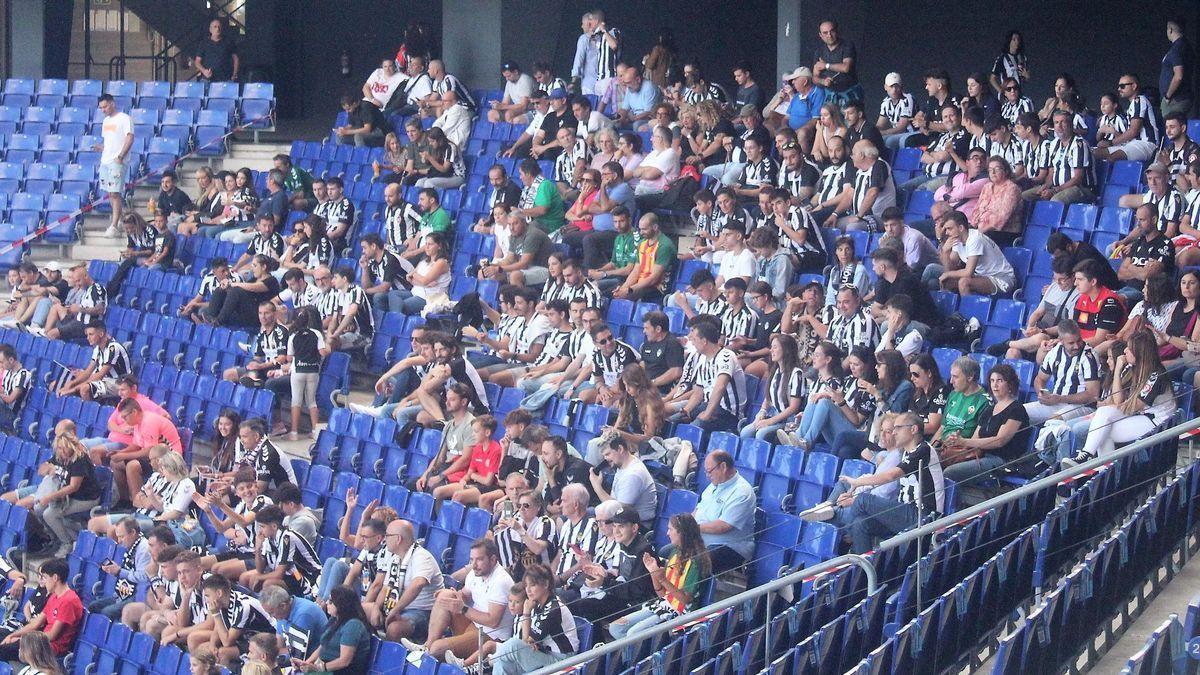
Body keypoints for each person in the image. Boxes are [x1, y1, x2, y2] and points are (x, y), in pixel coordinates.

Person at [1065, 330, 1177, 466]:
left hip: (1159, 422)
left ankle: (1094, 461)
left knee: (1104, 425)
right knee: (1103, 426)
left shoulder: (1156, 374)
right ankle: (1100, 468)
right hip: (1143, 416)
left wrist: (1108, 409)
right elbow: (1118, 400)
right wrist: (1118, 370)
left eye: (1129, 349)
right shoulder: (1134, 367)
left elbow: (1133, 407)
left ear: (1139, 353)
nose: (1125, 351)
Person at [842, 411, 944, 552]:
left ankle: (845, 536)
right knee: (861, 523)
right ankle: (862, 571)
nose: (894, 433)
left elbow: (890, 476)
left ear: (913, 429)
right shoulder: (905, 452)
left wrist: (857, 482)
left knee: (863, 500)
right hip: (904, 512)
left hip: (923, 516)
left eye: (898, 428)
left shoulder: (923, 450)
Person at [402, 539, 514, 663]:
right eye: (472, 560)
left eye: (479, 560)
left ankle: (432, 653)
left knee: (437, 649)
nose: (474, 565)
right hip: (474, 625)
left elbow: (493, 621)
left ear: (493, 560)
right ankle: (426, 647)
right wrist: (455, 596)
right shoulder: (475, 572)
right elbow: (465, 594)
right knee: (446, 595)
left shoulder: (501, 581)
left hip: (491, 635)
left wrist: (463, 608)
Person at [941, 364, 1031, 488]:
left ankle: (952, 505)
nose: (995, 385)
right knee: (934, 462)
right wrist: (957, 440)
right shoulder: (989, 409)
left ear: (1010, 384)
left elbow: (1000, 441)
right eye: (992, 381)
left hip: (1001, 460)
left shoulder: (1016, 410)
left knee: (950, 472)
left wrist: (964, 441)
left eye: (1000, 381)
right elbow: (975, 439)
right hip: (981, 454)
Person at [487, 564, 578, 674]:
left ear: (546, 584)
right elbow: (527, 641)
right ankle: (495, 659)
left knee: (513, 645)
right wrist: (527, 615)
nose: (528, 590)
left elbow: (525, 641)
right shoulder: (537, 604)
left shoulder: (553, 608)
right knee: (504, 663)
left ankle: (491, 660)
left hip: (562, 659)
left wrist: (526, 613)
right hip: (544, 653)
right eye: (526, 585)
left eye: (533, 585)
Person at [1024, 319, 1103, 425]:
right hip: (1056, 403)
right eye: (1071, 343)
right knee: (1017, 413)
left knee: (1053, 421)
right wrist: (1042, 393)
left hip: (1082, 406)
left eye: (1079, 340)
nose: (1077, 346)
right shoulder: (1055, 352)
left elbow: (1092, 395)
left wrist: (1060, 399)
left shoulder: (1089, 357)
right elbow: (1040, 378)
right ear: (1061, 340)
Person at [933, 210, 1016, 297]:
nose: (946, 233)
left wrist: (948, 274)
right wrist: (945, 252)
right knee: (947, 282)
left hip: (1002, 278)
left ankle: (967, 310)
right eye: (945, 229)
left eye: (949, 229)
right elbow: (949, 269)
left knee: (964, 282)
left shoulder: (974, 239)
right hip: (983, 276)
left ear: (961, 228)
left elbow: (968, 272)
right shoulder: (957, 239)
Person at [290, 587, 370, 674]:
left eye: (331, 601)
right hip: (326, 668)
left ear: (342, 604)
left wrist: (318, 668)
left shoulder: (353, 625)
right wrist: (305, 663)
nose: (327, 602)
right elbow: (322, 646)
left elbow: (344, 661)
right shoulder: (334, 620)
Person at [742, 334, 803, 441]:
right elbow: (768, 397)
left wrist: (770, 422)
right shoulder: (775, 371)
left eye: (775, 347)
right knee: (745, 432)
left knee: (761, 434)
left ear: (786, 350)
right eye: (771, 347)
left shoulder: (796, 373)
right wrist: (762, 412)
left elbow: (793, 407)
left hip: (788, 421)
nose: (771, 351)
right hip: (773, 415)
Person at [588, 436, 657, 529]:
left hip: (636, 526)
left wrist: (597, 486)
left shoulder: (633, 475)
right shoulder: (622, 465)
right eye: (604, 455)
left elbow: (618, 511)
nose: (605, 459)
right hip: (622, 519)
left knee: (586, 517)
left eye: (608, 454)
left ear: (620, 449)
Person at [96, 94, 134, 238]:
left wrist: (121, 156)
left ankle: (113, 225)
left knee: (115, 193)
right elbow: (108, 141)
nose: (103, 110)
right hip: (105, 160)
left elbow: (129, 137)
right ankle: (118, 220)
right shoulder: (106, 121)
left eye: (105, 106)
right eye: (101, 108)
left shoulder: (124, 118)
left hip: (117, 161)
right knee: (110, 193)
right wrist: (101, 148)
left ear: (112, 104)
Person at [971, 156, 1024, 247]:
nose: (993, 172)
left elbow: (1001, 218)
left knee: (977, 240)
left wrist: (979, 232)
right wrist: (973, 226)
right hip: (982, 229)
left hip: (1004, 232)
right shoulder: (987, 187)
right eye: (990, 170)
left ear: (1006, 171)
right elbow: (976, 209)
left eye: (997, 169)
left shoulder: (1012, 189)